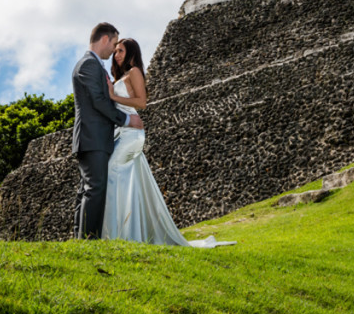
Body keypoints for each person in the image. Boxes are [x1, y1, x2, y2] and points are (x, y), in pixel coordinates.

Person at [102, 37, 235, 248]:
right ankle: (125, 233)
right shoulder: (121, 76)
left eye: (121, 51)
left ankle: (121, 234)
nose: (116, 55)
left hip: (132, 135)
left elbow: (142, 102)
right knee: (127, 182)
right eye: (116, 51)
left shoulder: (134, 72)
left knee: (113, 172)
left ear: (132, 54)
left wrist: (113, 96)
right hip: (124, 132)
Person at [73, 22, 144, 239]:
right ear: (105, 39)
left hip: (95, 138)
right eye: (114, 44)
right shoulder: (89, 65)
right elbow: (98, 101)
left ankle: (81, 238)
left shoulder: (93, 65)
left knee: (88, 189)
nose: (114, 50)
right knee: (95, 189)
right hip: (92, 138)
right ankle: (88, 240)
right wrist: (126, 119)